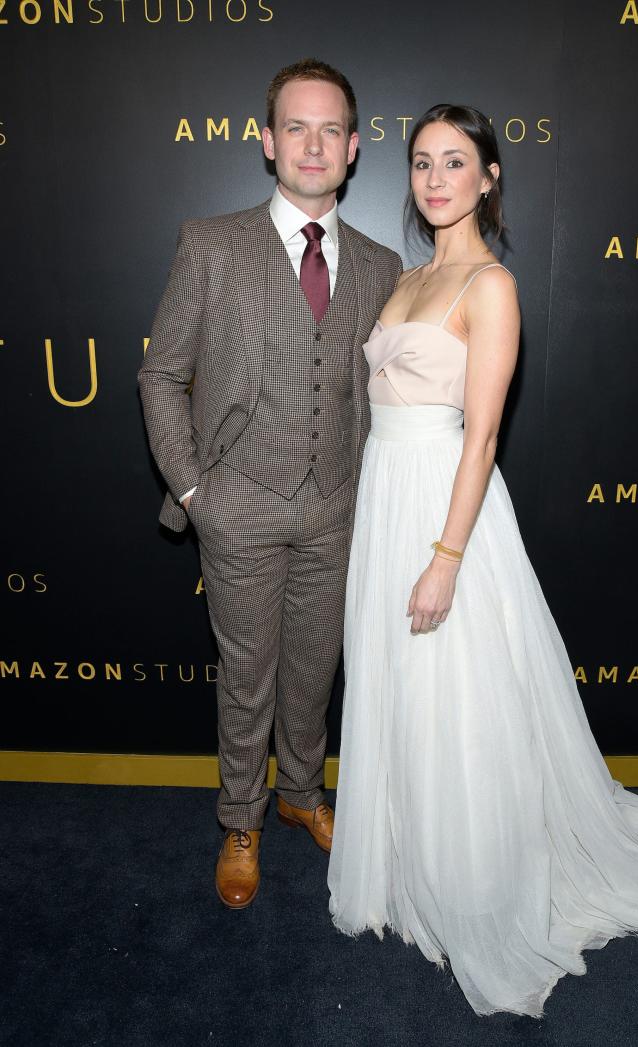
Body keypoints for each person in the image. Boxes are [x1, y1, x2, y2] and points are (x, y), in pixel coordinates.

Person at [327, 104, 638, 1017]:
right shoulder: (408, 279)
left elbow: (483, 431)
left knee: (459, 696)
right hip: (387, 496)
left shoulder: (489, 286)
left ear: (489, 176)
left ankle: (474, 886)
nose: (435, 178)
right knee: (401, 687)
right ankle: (405, 864)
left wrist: (445, 556)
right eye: (421, 162)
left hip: (445, 510)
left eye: (456, 162)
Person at [138, 59, 402, 909]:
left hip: (335, 507)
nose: (313, 144)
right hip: (238, 505)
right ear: (266, 142)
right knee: (246, 675)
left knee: (314, 671)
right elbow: (160, 375)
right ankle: (241, 818)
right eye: (297, 126)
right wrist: (193, 492)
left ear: (355, 148)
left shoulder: (379, 262)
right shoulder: (209, 244)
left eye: (331, 129)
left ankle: (300, 795)